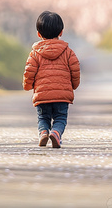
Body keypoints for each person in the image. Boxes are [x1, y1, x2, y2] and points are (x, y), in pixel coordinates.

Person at [22, 11, 80, 148]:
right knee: (60, 118)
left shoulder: (35, 53)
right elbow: (75, 71)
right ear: (61, 32)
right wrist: (74, 85)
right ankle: (55, 133)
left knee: (43, 118)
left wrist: (27, 85)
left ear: (38, 34)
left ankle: (43, 133)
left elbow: (29, 71)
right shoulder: (68, 52)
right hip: (62, 96)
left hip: (42, 95)